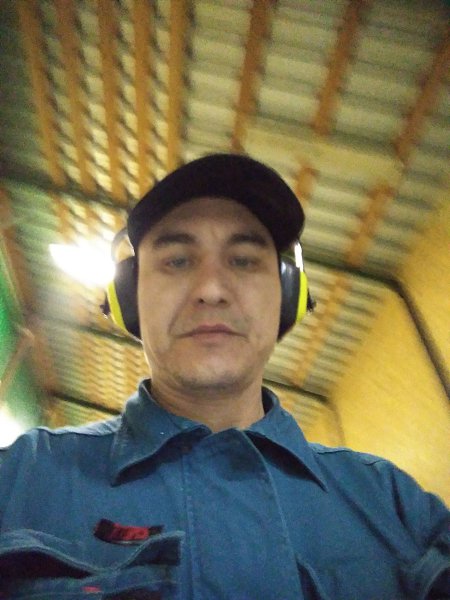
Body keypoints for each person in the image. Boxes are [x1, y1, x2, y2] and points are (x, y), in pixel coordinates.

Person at [0, 154, 448, 599]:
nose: (211, 290)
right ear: (128, 297)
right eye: (177, 261)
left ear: (287, 296)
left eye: (244, 261)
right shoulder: (22, 479)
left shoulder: (394, 505)